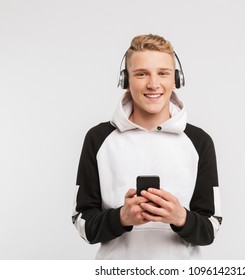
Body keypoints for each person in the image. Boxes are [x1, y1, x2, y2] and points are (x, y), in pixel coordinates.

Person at [72, 34, 222, 259]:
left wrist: (180, 217)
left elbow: (210, 228)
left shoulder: (199, 141)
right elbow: (83, 222)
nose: (153, 84)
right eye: (141, 74)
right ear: (126, 81)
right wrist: (122, 218)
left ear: (176, 80)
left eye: (163, 73)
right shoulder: (98, 138)